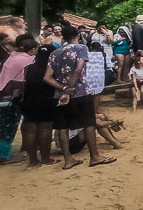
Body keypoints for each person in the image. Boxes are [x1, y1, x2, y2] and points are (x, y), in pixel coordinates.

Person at [44, 26, 115, 169]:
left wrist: (63, 89)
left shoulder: (55, 53)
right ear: (77, 35)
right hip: (80, 92)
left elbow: (47, 77)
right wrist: (70, 89)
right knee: (88, 123)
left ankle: (68, 160)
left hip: (58, 95)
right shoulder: (81, 48)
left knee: (62, 127)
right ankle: (94, 157)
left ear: (63, 37)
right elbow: (78, 69)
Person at [0, 36, 37, 163]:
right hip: (12, 98)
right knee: (8, 127)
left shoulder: (12, 57)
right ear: (32, 49)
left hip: (1, 93)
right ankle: (4, 156)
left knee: (1, 125)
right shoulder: (28, 60)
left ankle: (3, 153)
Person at [20, 44, 59, 166]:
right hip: (46, 101)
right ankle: (46, 158)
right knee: (45, 129)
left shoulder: (29, 68)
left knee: (30, 130)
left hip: (28, 101)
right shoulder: (52, 68)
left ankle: (33, 161)